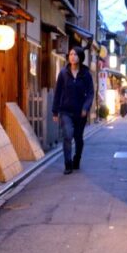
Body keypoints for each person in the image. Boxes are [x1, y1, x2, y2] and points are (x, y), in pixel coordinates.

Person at [52, 46, 93, 175]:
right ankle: (68, 164)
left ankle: (77, 158)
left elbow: (91, 93)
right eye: (70, 54)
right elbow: (58, 92)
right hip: (66, 111)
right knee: (67, 136)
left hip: (80, 112)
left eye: (75, 54)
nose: (72, 56)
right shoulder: (63, 73)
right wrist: (55, 111)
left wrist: (85, 108)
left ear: (80, 57)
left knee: (78, 138)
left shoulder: (86, 74)